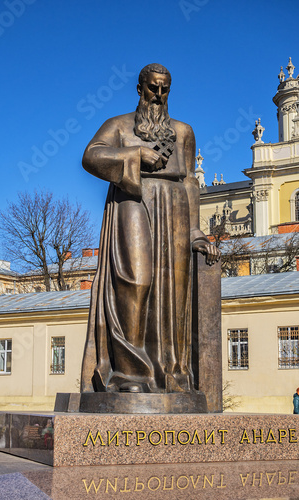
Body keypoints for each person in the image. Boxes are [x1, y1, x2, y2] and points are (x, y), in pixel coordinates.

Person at [81, 63, 220, 395]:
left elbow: (189, 182)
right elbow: (91, 157)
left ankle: (172, 373)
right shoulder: (118, 125)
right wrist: (135, 153)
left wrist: (195, 231)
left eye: (165, 89)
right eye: (153, 88)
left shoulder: (183, 132)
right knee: (135, 280)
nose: (159, 95)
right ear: (140, 88)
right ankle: (129, 375)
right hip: (133, 199)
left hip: (174, 209)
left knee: (173, 291)